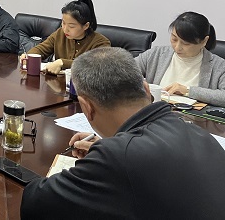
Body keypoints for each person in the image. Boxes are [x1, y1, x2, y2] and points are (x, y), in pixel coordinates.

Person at [20, 47, 225, 219]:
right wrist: (114, 149)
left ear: (86, 107)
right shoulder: (198, 133)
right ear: (146, 90)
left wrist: (107, 156)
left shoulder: (118, 156)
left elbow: (34, 203)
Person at [135, 11, 225, 107]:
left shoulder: (218, 66)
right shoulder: (156, 54)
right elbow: (127, 71)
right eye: (174, 39)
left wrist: (188, 91)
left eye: (186, 43)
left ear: (204, 41)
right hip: (156, 112)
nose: (177, 47)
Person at [19, 0, 110, 74]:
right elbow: (42, 49)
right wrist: (28, 56)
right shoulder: (60, 33)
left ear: (86, 26)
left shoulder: (100, 42)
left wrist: (63, 63)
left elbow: (96, 66)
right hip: (58, 84)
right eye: (63, 23)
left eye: (71, 26)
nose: (65, 29)